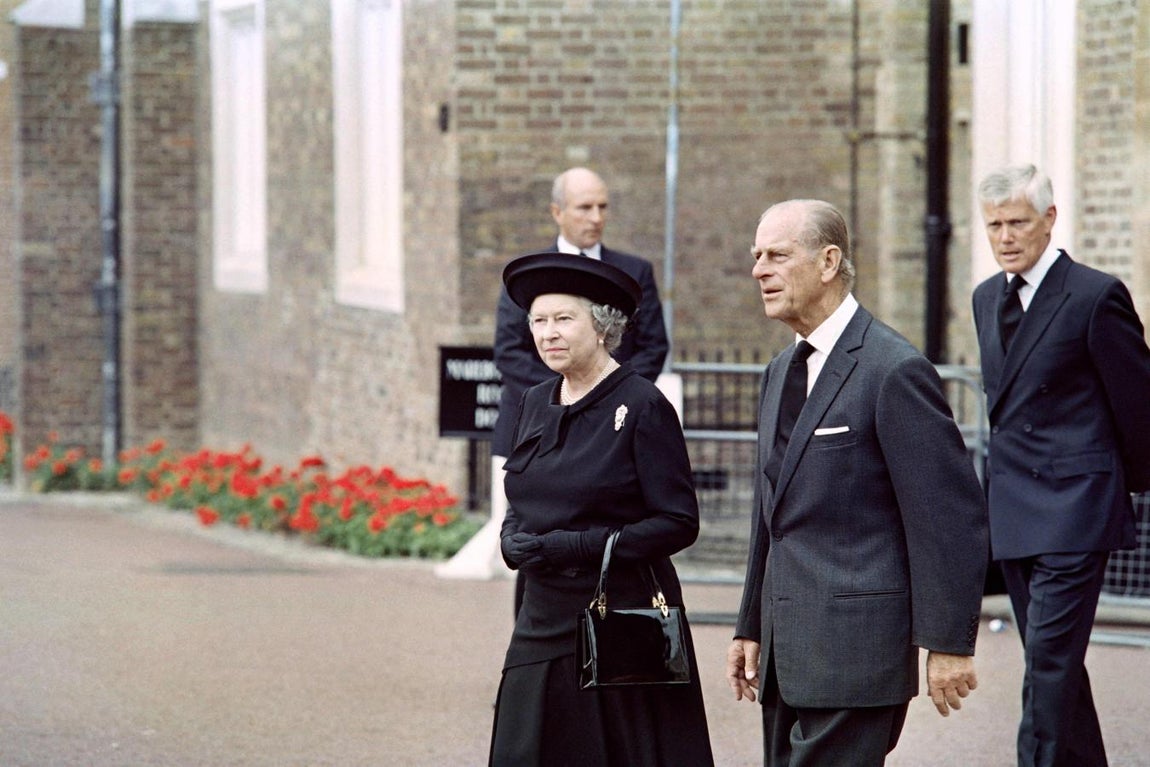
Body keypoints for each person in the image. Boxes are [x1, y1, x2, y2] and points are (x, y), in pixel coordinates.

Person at [726, 199, 988, 766]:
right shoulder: (777, 373)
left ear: (828, 262)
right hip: (782, 655)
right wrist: (749, 623)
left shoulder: (892, 369)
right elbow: (769, 518)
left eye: (776, 255)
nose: (758, 270)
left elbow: (946, 515)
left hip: (857, 653)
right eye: (756, 257)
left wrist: (947, 643)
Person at [489, 252, 713, 766]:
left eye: (564, 319)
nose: (548, 334)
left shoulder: (641, 406)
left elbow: (679, 521)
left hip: (620, 619)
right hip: (541, 614)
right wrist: (511, 535)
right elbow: (524, 489)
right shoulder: (536, 400)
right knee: (526, 749)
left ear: (603, 325)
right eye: (539, 321)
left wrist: (582, 544)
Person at [972, 164, 1150, 767]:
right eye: (994, 225)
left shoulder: (1095, 295)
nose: (1005, 237)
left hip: (1076, 511)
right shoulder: (984, 299)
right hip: (1016, 511)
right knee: (1058, 672)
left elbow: (1138, 403)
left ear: (1049, 220)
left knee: (1046, 669)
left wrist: (1119, 489)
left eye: (1018, 222)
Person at [490, 167, 669, 597]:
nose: (596, 217)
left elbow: (653, 347)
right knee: (537, 533)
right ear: (557, 212)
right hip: (541, 426)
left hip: (613, 425)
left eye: (602, 207)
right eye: (584, 207)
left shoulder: (634, 271)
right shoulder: (528, 275)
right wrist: (565, 393)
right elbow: (510, 352)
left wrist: (607, 394)